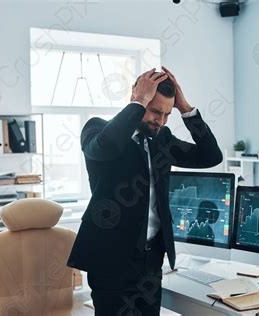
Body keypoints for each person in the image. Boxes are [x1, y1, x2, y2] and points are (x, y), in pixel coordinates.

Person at [67, 66, 222, 315]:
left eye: (166, 114)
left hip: (151, 260)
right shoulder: (97, 129)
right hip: (110, 261)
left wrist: (186, 109)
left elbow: (210, 156)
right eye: (154, 111)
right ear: (135, 97)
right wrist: (139, 101)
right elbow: (106, 147)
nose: (160, 121)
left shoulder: (162, 138)